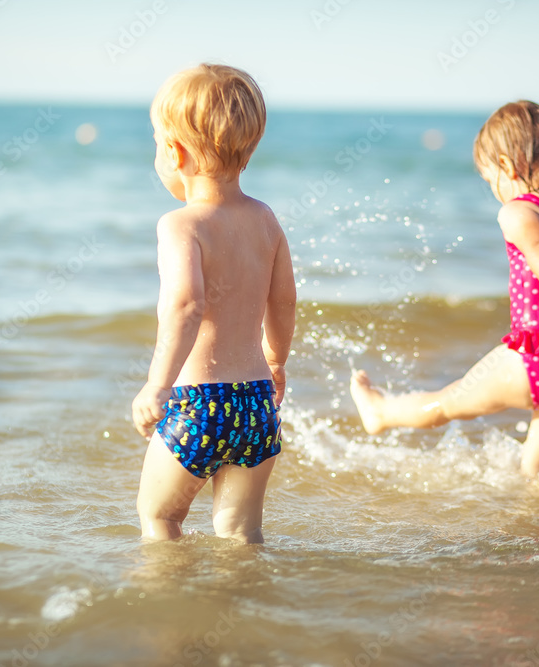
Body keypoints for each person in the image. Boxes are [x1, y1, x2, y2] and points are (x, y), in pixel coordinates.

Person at [350, 100, 539, 478]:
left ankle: (379, 413)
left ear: (507, 165)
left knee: (444, 405)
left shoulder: (521, 211)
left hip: (534, 359)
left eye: (489, 180)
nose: (494, 190)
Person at [132, 64, 296, 543]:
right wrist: (277, 360)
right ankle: (242, 609)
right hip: (257, 403)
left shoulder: (180, 225)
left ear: (175, 152)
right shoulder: (266, 220)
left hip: (200, 404)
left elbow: (186, 306)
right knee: (241, 532)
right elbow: (283, 301)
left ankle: (171, 613)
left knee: (160, 517)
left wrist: (156, 387)